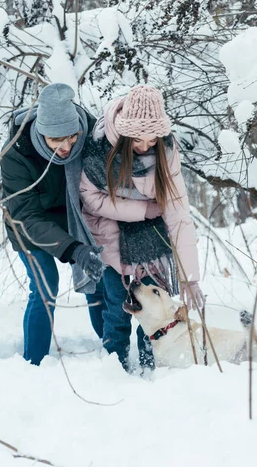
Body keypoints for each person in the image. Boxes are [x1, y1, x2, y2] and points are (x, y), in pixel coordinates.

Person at [79, 84, 204, 370]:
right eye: (137, 140)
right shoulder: (99, 149)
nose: (145, 146)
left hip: (152, 241)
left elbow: (178, 212)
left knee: (151, 310)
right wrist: (142, 210)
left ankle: (150, 368)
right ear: (123, 134)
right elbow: (90, 199)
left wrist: (189, 276)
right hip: (110, 236)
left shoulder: (166, 150)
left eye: (152, 140)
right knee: (117, 311)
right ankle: (115, 368)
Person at [0, 83, 106, 366]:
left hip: (79, 219)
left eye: (72, 138)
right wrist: (73, 249)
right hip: (31, 225)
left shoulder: (92, 135)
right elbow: (26, 216)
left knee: (99, 278)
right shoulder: (17, 152)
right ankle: (33, 363)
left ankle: (111, 351)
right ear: (41, 133)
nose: (67, 147)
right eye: (56, 141)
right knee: (45, 286)